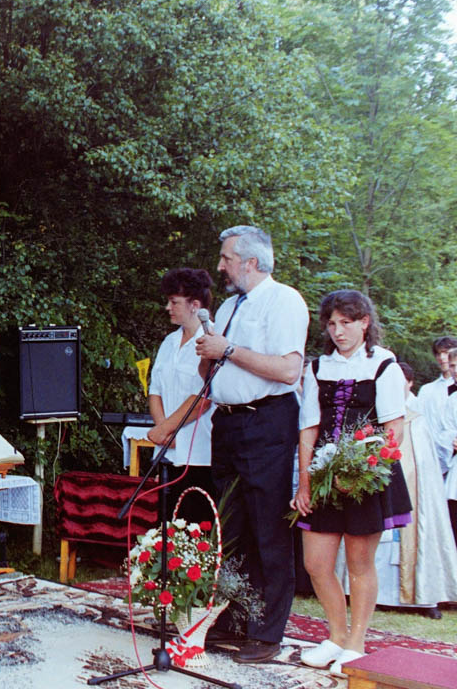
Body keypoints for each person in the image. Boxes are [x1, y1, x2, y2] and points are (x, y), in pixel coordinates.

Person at [195, 225, 308, 664]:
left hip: (267, 421)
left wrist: (228, 350)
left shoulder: (284, 301)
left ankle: (267, 631)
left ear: (251, 262)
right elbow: (214, 368)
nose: (220, 266)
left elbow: (287, 371)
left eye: (226, 258)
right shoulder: (227, 306)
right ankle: (236, 616)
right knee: (232, 526)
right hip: (227, 423)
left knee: (268, 528)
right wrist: (209, 354)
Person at [292, 290, 412, 676]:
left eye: (346, 322)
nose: (338, 331)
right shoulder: (317, 368)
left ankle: (356, 644)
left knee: (360, 563)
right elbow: (309, 430)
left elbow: (393, 431)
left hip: (367, 477)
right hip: (324, 476)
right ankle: (335, 637)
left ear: (364, 323)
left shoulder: (384, 365)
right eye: (331, 324)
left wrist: (362, 470)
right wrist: (305, 483)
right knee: (315, 563)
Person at [146, 268, 217, 522]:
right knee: (165, 525)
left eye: (174, 302)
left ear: (195, 305)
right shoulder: (169, 342)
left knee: (196, 526)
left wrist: (166, 430)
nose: (168, 307)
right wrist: (163, 431)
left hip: (200, 454)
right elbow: (155, 390)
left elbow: (204, 397)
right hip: (168, 451)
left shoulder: (212, 339)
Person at [408, 337, 457, 477]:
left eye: (446, 352)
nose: (442, 357)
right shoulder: (427, 391)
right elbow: (418, 424)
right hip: (432, 460)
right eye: (438, 353)